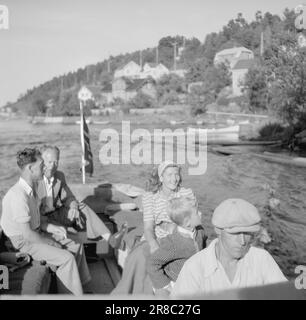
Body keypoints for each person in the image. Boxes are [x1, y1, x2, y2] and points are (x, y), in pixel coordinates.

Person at [0, 148, 91, 295]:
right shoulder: (18, 195)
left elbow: (38, 222)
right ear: (30, 168)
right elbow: (27, 235)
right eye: (42, 164)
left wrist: (53, 228)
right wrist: (51, 242)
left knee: (76, 245)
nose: (46, 167)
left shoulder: (32, 189)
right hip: (21, 244)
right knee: (66, 258)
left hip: (35, 233)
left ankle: (80, 288)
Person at [112, 160, 200, 294]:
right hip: (157, 236)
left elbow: (193, 221)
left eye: (176, 174)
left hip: (181, 237)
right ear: (161, 177)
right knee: (140, 258)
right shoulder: (150, 197)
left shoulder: (186, 193)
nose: (174, 179)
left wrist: (172, 228)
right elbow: (148, 227)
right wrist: (153, 245)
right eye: (169, 175)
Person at [171, 198, 288, 298]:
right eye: (235, 233)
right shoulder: (194, 268)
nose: (242, 241)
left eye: (247, 233)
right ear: (218, 230)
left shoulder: (262, 259)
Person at [38, 145, 127, 248]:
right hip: (42, 219)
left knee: (81, 206)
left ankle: (112, 241)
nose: (53, 166)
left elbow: (68, 197)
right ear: (41, 162)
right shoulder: (35, 180)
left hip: (56, 214)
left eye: (56, 162)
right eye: (49, 162)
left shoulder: (59, 176)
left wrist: (73, 207)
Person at [146, 196, 207, 297]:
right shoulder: (173, 244)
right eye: (196, 213)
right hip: (176, 282)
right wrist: (166, 285)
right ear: (187, 222)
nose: (200, 213)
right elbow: (152, 262)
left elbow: (203, 247)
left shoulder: (200, 231)